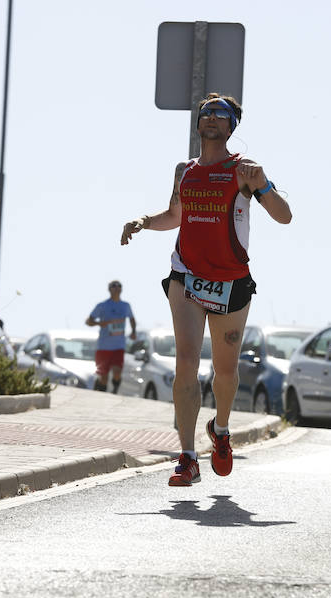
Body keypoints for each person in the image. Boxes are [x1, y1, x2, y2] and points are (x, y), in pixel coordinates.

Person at [120, 93, 292, 486]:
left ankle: (222, 429)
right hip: (186, 276)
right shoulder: (185, 170)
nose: (212, 118)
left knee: (225, 371)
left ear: (232, 126)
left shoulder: (244, 170)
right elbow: (175, 216)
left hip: (230, 281)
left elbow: (284, 216)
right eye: (207, 113)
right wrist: (143, 221)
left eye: (222, 114)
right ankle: (186, 456)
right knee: (185, 362)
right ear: (198, 123)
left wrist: (262, 184)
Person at [85, 280, 136, 393]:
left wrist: (133, 331)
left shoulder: (125, 306)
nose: (117, 288)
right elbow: (88, 321)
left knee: (117, 372)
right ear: (109, 289)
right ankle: (100, 387)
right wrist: (99, 323)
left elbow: (132, 319)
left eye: (119, 286)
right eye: (114, 286)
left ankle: (115, 390)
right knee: (104, 377)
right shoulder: (102, 306)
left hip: (119, 345)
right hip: (104, 346)